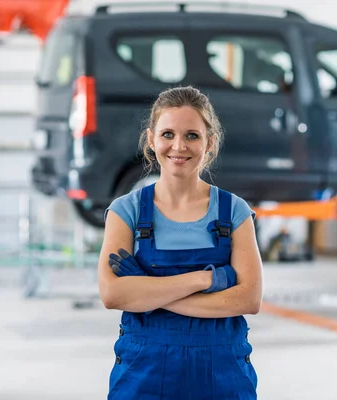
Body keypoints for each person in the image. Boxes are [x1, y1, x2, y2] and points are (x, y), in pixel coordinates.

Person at [98, 86, 264, 400]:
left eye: (192, 135)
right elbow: (112, 294)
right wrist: (207, 279)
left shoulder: (235, 212)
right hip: (143, 372)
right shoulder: (126, 211)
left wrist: (147, 291)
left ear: (209, 143)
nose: (179, 146)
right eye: (168, 134)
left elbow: (249, 299)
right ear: (151, 140)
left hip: (222, 374)